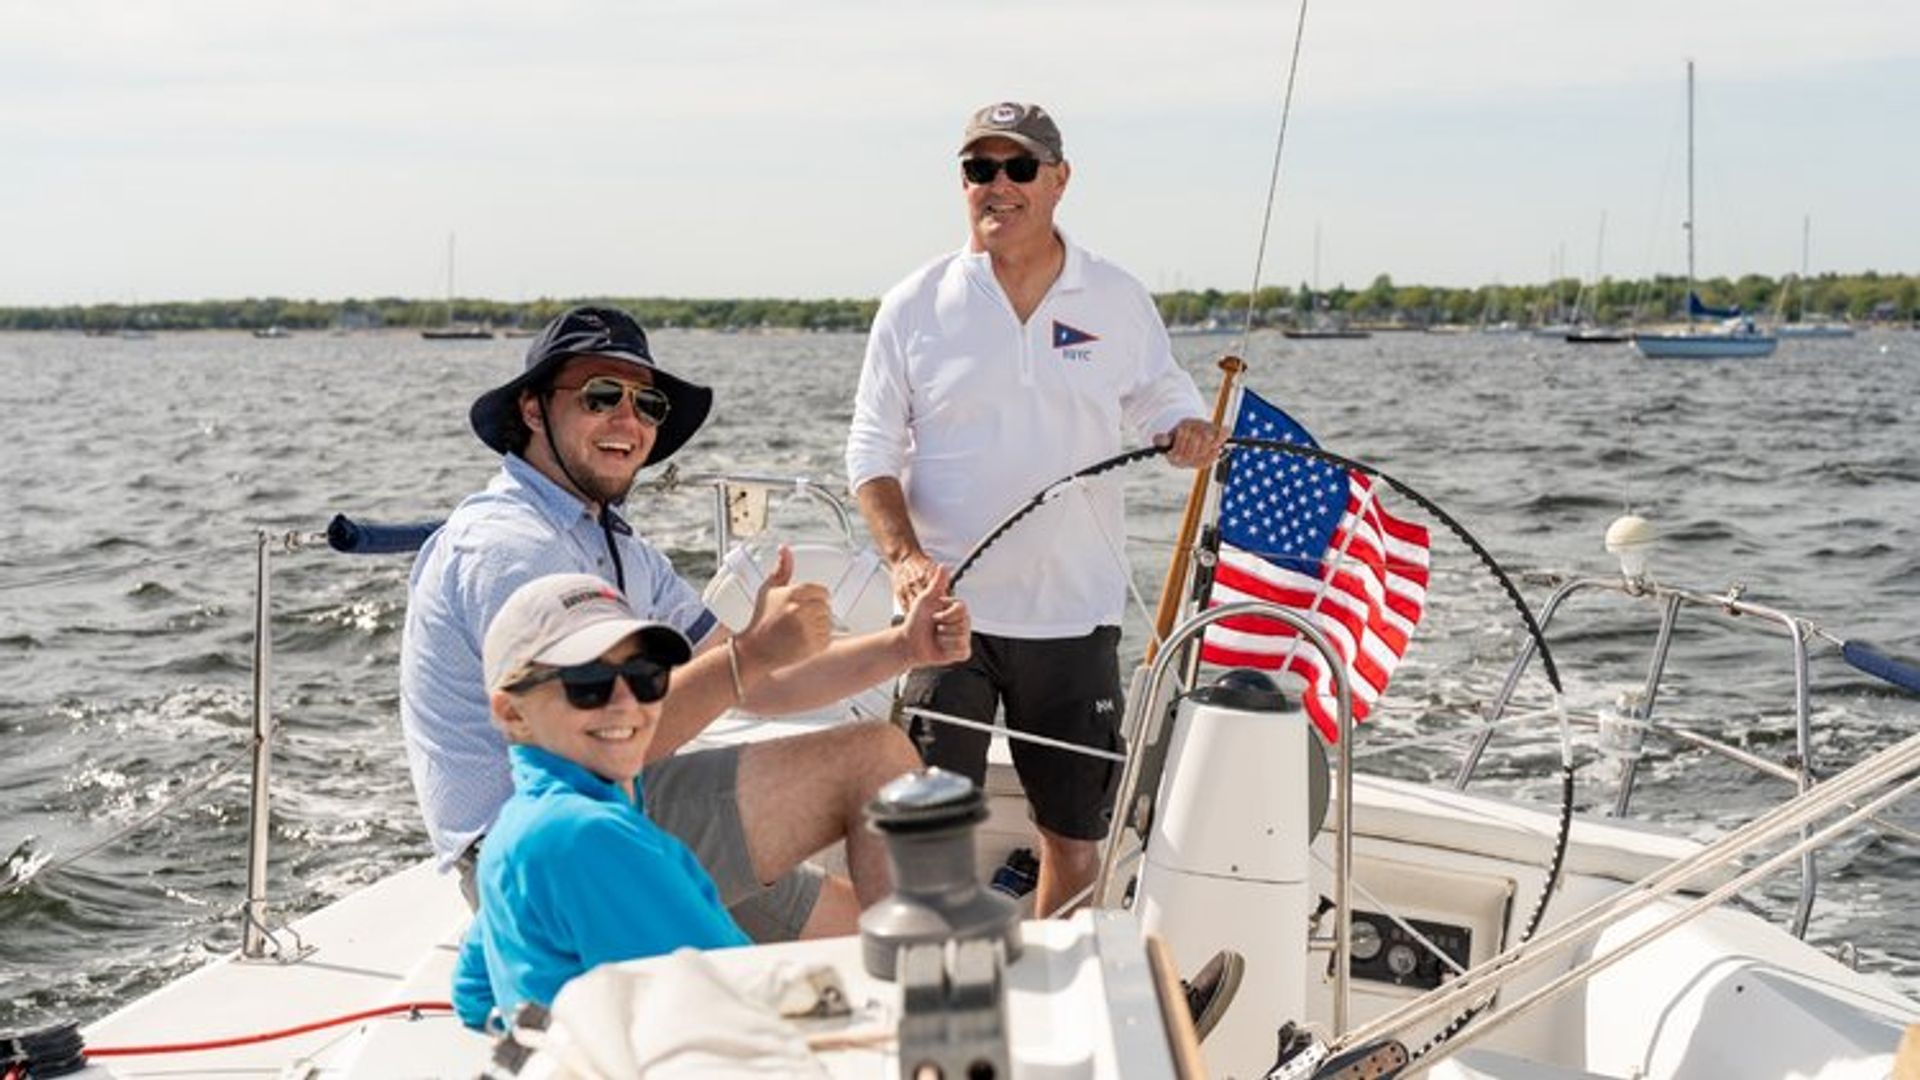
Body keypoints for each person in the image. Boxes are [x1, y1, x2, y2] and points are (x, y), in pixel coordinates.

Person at [403, 304, 970, 943]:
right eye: (601, 396)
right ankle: (924, 1002)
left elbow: (767, 683)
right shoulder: (512, 546)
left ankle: (902, 983)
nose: (629, 419)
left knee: (841, 931)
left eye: (647, 406)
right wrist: (749, 656)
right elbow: (599, 746)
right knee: (876, 758)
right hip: (543, 864)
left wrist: (903, 646)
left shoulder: (613, 545)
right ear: (533, 411)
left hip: (613, 824)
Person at [846, 102, 1226, 917]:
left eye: (1019, 168)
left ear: (1060, 179)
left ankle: (1060, 1001)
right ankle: (934, 989)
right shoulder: (915, 304)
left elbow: (1163, 400)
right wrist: (906, 562)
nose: (998, 186)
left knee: (1074, 836)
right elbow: (870, 455)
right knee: (922, 830)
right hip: (944, 619)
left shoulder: (1115, 297)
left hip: (1074, 617)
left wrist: (1187, 432)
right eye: (980, 169)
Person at [451, 573, 746, 1030]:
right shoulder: (583, 836)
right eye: (588, 681)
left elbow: (474, 996)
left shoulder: (516, 828)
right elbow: (732, 1004)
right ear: (512, 714)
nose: (627, 702)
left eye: (645, 676)